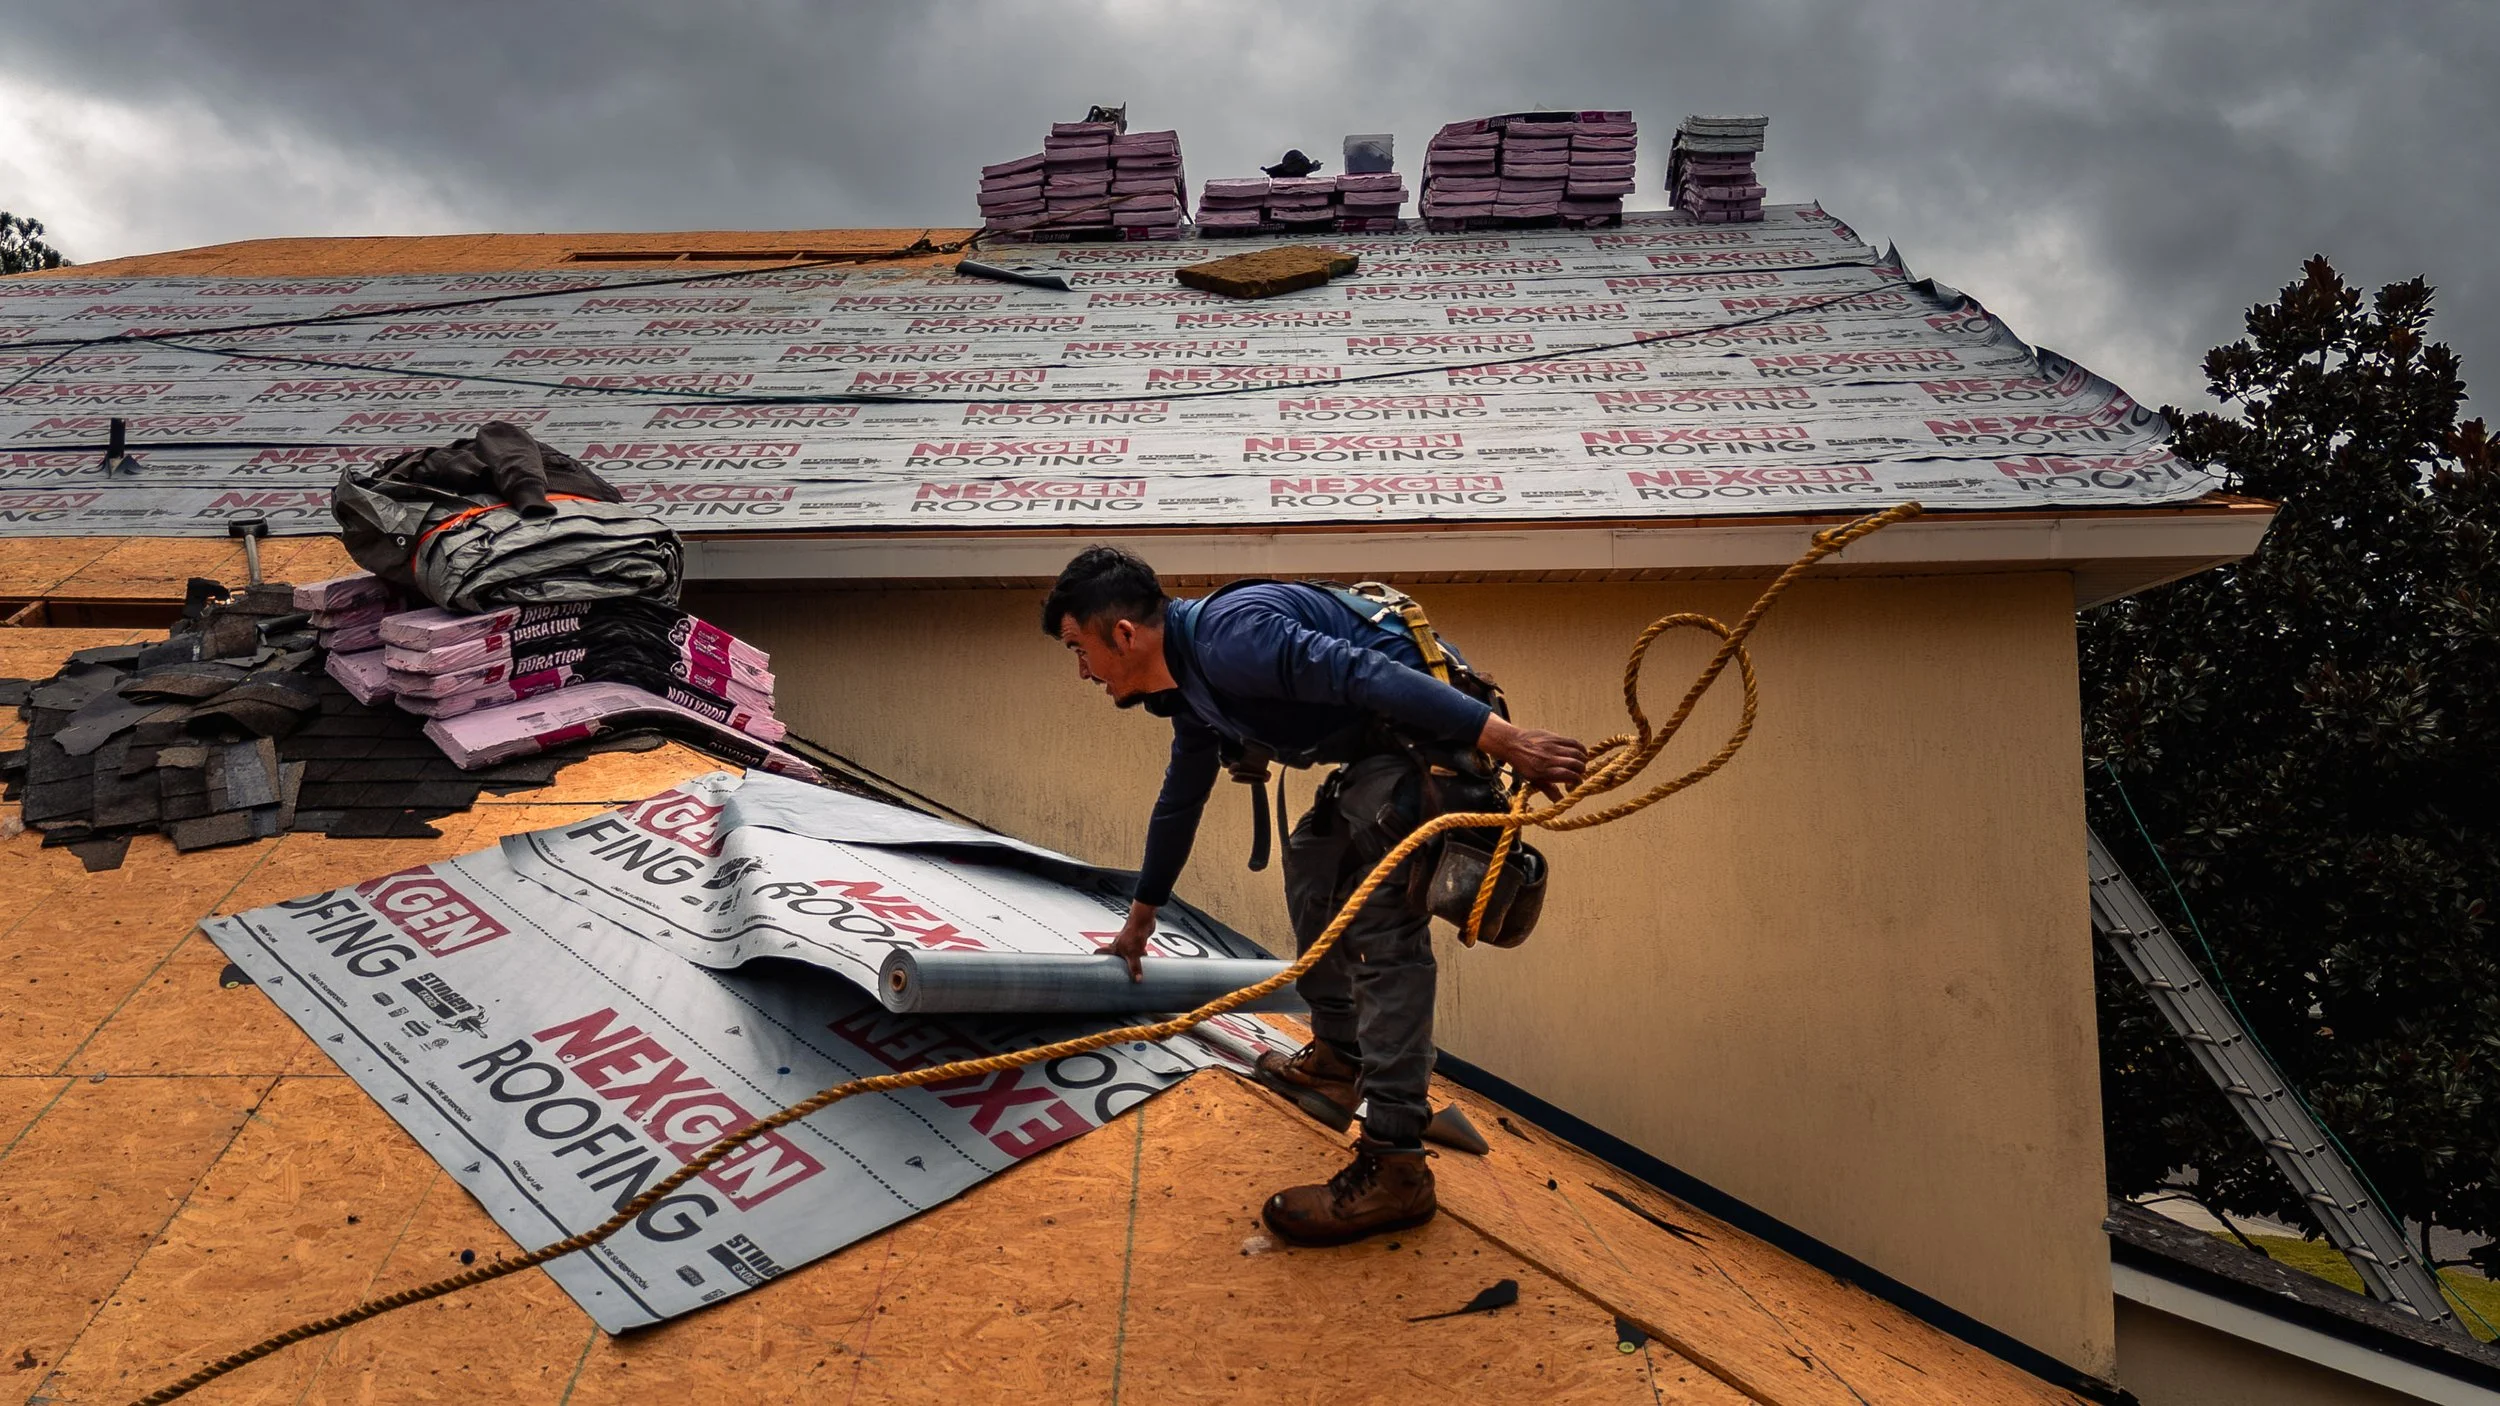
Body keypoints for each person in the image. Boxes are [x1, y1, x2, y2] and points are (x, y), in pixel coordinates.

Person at [1041, 545, 1587, 1246]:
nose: (1082, 671)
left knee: (1382, 924)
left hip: (1423, 745)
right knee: (1311, 862)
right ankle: (1339, 1064)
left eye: (1078, 648)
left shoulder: (1231, 636)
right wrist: (1141, 918)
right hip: (1383, 752)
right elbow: (1181, 797)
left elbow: (1366, 672)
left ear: (1122, 634)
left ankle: (1395, 1161)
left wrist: (1509, 742)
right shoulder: (1191, 688)